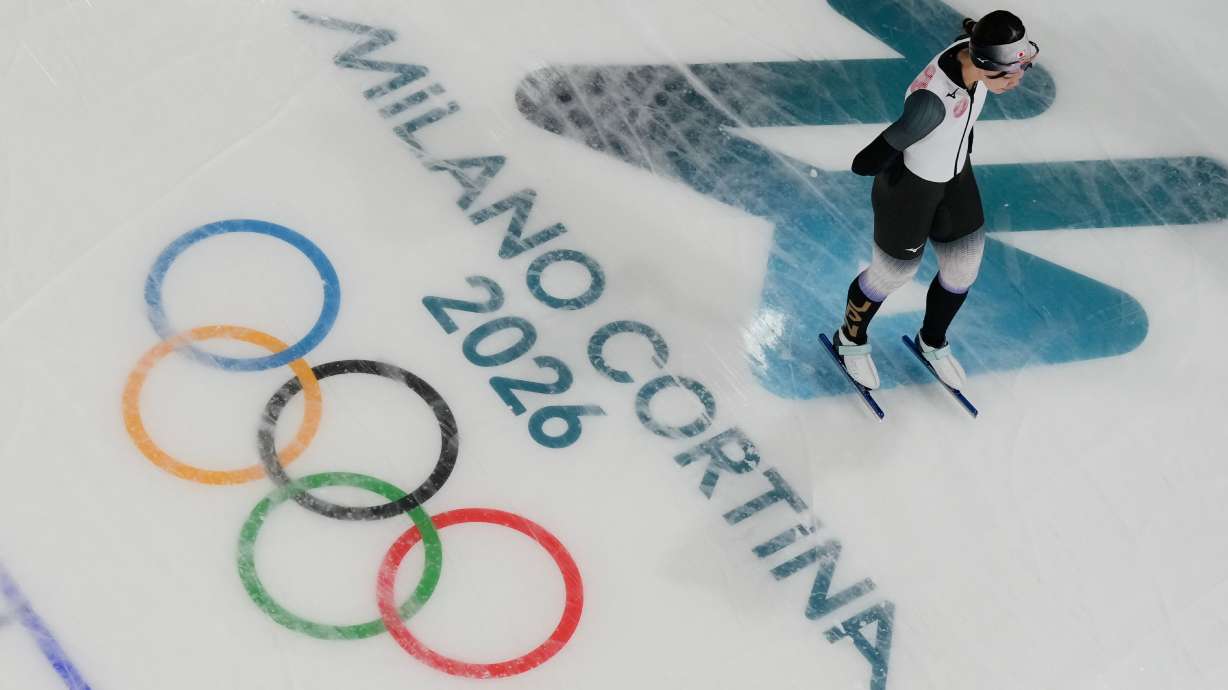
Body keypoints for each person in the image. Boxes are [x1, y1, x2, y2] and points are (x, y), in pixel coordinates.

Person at [831, 10, 1039, 391]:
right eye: (1009, 74)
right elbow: (865, 163)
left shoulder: (970, 52)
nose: (1017, 80)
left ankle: (931, 340)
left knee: (963, 269)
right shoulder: (930, 106)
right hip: (911, 191)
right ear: (985, 65)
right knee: (892, 275)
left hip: (955, 179)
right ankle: (849, 339)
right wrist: (909, 146)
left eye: (1022, 68)